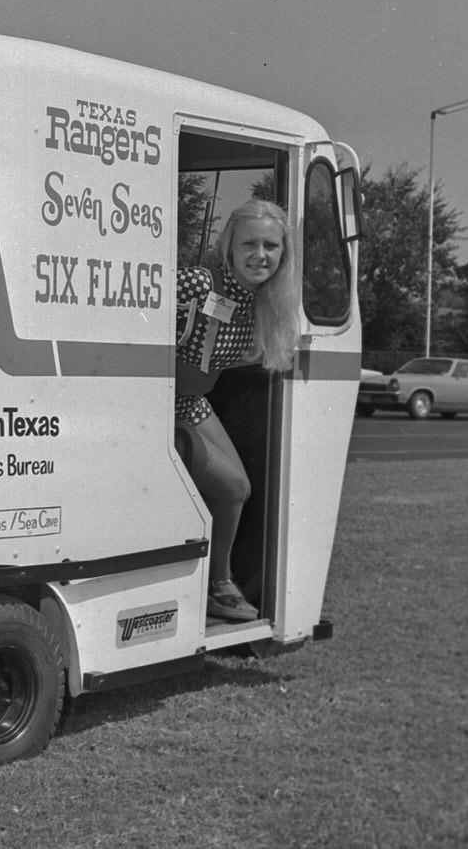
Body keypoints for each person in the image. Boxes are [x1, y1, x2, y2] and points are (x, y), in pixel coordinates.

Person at [174, 199, 300, 622]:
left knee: (239, 488)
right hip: (157, 405)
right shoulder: (196, 284)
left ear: (284, 254)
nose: (260, 255)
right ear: (229, 245)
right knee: (231, 489)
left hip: (191, 401)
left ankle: (206, 578)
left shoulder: (260, 304)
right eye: (249, 243)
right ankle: (218, 583)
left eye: (271, 245)